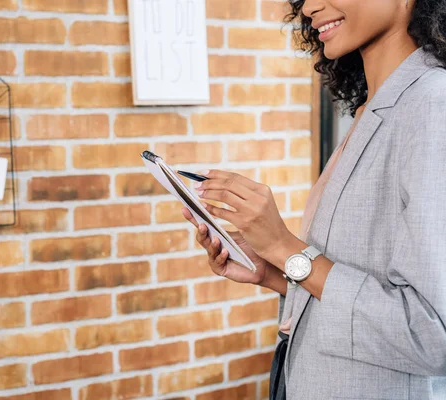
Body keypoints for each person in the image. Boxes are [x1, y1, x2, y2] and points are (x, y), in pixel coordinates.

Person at [181, 0, 446, 398]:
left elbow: (431, 335)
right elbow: (360, 286)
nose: (309, 7)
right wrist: (275, 272)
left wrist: (288, 250)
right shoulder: (372, 110)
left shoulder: (432, 103)